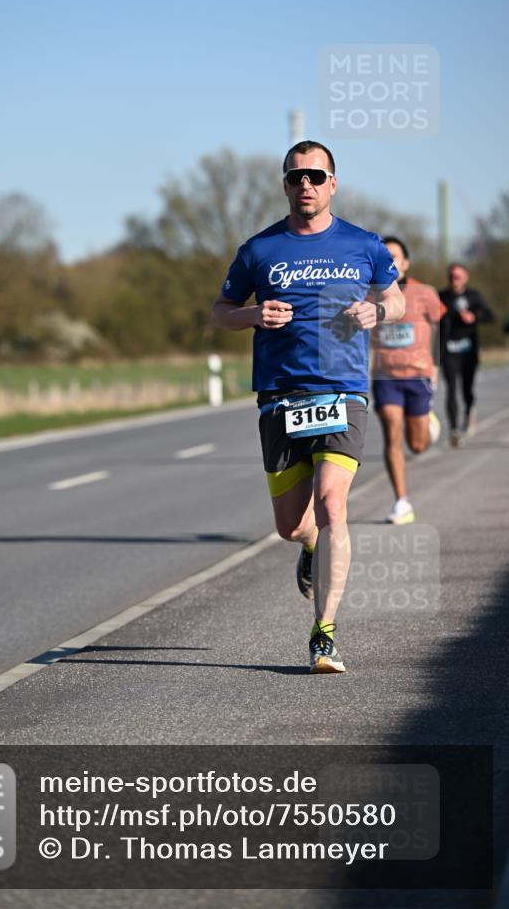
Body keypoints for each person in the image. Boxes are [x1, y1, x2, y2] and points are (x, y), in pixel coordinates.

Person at [211, 141, 405, 674]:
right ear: (285, 185)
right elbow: (219, 311)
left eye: (316, 176)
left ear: (333, 183)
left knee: (332, 504)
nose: (306, 186)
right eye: (296, 177)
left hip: (343, 392)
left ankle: (324, 634)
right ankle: (310, 547)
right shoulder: (260, 249)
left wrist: (378, 309)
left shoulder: (363, 244)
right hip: (279, 397)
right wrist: (252, 315)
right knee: (292, 526)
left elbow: (398, 297)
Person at [370, 237, 444, 524]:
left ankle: (428, 422)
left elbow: (441, 325)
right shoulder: (370, 294)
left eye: (395, 256)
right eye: (384, 256)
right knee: (392, 433)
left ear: (406, 263)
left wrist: (435, 364)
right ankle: (401, 502)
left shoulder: (425, 293)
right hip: (385, 376)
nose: (390, 261)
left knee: (418, 444)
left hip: (418, 376)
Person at [439, 264, 494, 447]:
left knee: (466, 389)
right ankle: (454, 430)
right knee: (451, 389)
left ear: (466, 278)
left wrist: (474, 317)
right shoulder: (442, 297)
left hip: (468, 351)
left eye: (458, 276)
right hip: (449, 351)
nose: (455, 280)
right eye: (452, 276)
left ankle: (469, 410)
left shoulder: (474, 296)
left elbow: (490, 316)